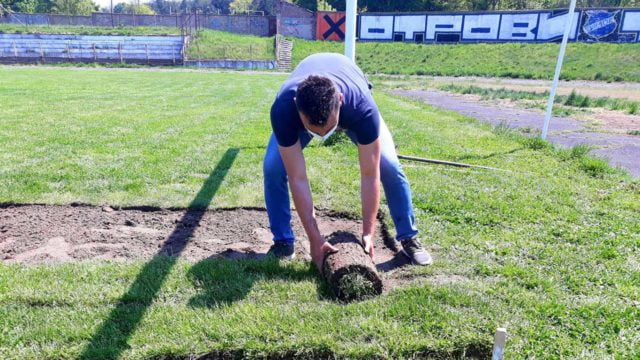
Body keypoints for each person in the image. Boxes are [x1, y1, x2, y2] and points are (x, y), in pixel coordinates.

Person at [263, 53, 432, 270]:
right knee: (273, 168)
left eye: (329, 128)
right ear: (298, 107)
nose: (324, 135)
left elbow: (370, 174)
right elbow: (298, 177)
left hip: (351, 99)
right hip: (302, 106)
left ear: (340, 101)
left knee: (389, 165)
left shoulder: (362, 107)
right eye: (315, 130)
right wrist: (315, 239)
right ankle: (283, 242)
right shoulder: (284, 109)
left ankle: (409, 237)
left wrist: (368, 233)